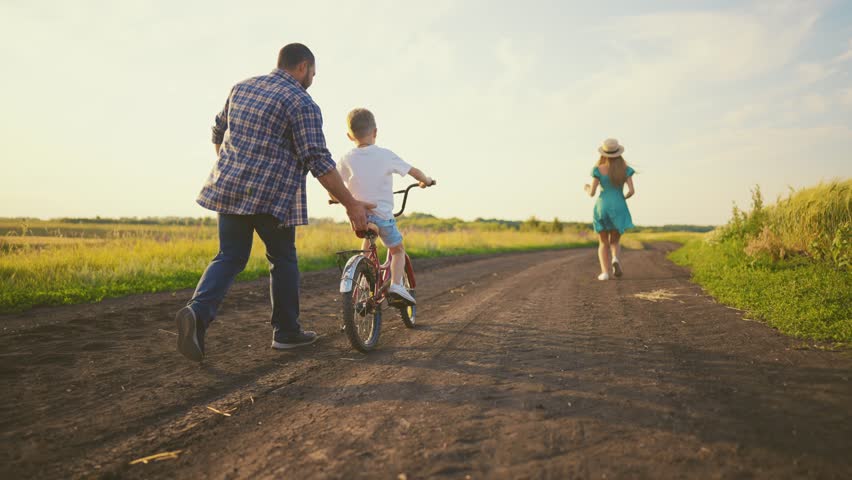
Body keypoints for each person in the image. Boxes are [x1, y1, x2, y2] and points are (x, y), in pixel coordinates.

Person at [175, 43, 375, 362]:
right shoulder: (301, 101)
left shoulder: (241, 88)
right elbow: (318, 159)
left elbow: (217, 131)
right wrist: (351, 203)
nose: (312, 78)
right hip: (273, 196)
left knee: (229, 255)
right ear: (302, 67)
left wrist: (235, 167)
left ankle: (197, 314)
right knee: (282, 259)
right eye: (312, 72)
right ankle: (286, 333)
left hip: (229, 189)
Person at [334, 108, 434, 305]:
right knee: (398, 250)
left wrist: (335, 198)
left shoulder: (346, 158)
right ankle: (397, 285)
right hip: (383, 217)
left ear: (349, 136)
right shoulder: (386, 155)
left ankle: (363, 280)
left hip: (360, 217)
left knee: (365, 246)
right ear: (375, 132)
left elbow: (335, 185)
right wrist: (426, 180)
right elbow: (414, 171)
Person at [584, 138, 636, 281]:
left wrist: (586, 188)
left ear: (604, 153)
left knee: (603, 242)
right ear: (618, 153)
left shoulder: (598, 170)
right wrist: (622, 199)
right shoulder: (625, 170)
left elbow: (592, 193)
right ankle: (615, 259)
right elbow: (632, 191)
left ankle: (605, 273)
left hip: (602, 206)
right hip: (619, 205)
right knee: (615, 241)